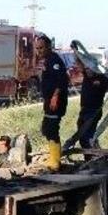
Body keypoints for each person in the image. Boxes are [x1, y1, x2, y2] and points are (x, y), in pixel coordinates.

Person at [35, 34, 70, 171]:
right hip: (49, 101)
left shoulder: (54, 61)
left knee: (51, 129)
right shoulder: (47, 60)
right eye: (37, 48)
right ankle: (53, 157)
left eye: (41, 48)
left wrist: (55, 96)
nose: (39, 51)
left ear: (49, 47)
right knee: (46, 128)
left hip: (56, 102)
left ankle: (55, 161)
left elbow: (61, 81)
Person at [74, 56, 108, 150]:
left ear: (94, 67)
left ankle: (94, 154)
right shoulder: (87, 75)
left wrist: (101, 85)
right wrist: (76, 51)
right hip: (84, 110)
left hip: (94, 111)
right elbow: (79, 62)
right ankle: (90, 155)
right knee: (82, 135)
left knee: (88, 134)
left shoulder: (102, 78)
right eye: (86, 69)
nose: (88, 71)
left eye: (89, 69)